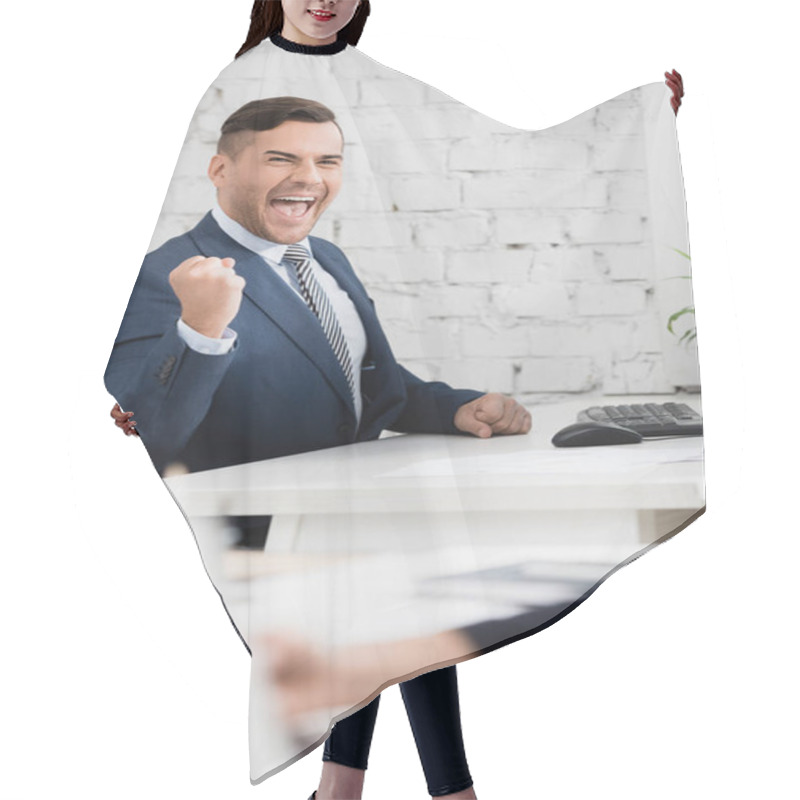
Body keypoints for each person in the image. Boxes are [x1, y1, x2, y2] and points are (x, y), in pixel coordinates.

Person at [108, 2, 685, 798]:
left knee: (396, 583)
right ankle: (446, 792)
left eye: (326, 162)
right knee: (403, 589)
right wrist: (200, 335)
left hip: (355, 503)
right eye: (280, 158)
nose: (307, 180)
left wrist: (454, 409)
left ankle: (344, 787)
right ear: (220, 169)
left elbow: (378, 394)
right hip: (272, 516)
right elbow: (149, 410)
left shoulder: (330, 260)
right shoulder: (180, 267)